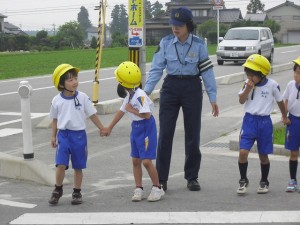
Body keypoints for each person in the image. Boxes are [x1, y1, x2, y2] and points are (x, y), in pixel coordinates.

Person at [143, 7, 219, 192]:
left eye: (179, 25)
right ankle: (161, 178)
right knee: (165, 134)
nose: (175, 29)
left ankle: (192, 177)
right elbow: (156, 69)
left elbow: (207, 72)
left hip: (192, 88)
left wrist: (213, 97)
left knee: (193, 134)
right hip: (170, 88)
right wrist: (145, 93)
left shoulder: (199, 45)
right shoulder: (166, 42)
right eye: (173, 25)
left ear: (188, 26)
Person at [102, 61, 164, 202]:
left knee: (146, 161)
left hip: (146, 127)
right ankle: (139, 188)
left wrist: (132, 110)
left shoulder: (140, 95)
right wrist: (109, 127)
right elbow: (121, 111)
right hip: (136, 128)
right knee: (136, 160)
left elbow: (147, 115)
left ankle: (157, 188)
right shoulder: (129, 95)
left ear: (124, 82)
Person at [48, 63, 106, 205]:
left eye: (75, 78)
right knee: (60, 164)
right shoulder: (56, 100)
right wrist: (53, 136)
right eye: (70, 80)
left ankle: (77, 191)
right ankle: (58, 189)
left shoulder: (83, 97)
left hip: (79, 136)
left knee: (78, 166)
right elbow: (55, 119)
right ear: (61, 84)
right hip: (63, 136)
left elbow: (92, 115)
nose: (75, 82)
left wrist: (102, 128)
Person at [237, 54, 288, 195]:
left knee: (263, 155)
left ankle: (264, 181)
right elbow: (241, 100)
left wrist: (284, 116)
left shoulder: (272, 85)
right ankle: (243, 180)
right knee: (243, 152)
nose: (250, 77)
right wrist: (248, 88)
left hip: (264, 123)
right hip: (249, 121)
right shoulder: (247, 84)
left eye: (253, 75)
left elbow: (280, 102)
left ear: (262, 73)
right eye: (248, 74)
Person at [282, 57, 300, 192]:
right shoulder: (290, 85)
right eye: (297, 72)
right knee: (293, 153)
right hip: (293, 121)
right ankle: (293, 180)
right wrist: (284, 116)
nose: (298, 76)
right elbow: (285, 101)